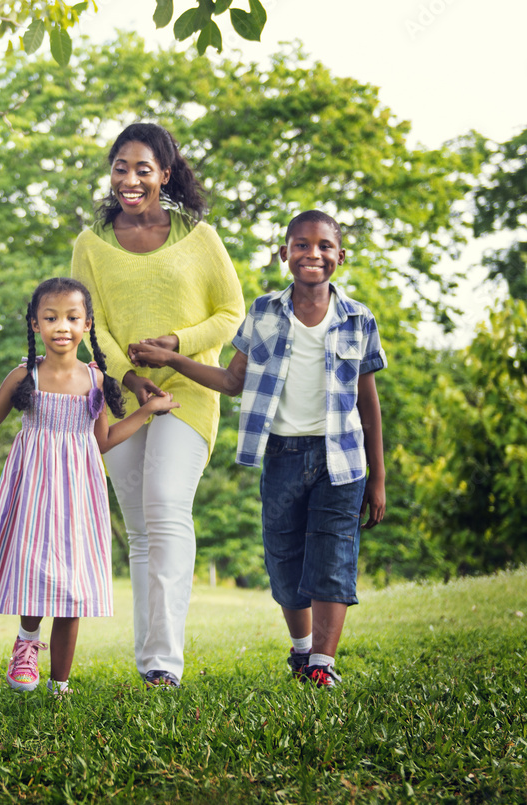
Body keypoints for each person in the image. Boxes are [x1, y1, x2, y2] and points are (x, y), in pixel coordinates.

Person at [130, 210, 387, 687]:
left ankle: (323, 667)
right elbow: (231, 381)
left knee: (333, 558)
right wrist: (171, 358)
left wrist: (378, 478)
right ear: (284, 253)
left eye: (325, 246)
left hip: (342, 459)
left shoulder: (358, 319)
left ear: (340, 256)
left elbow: (368, 405)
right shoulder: (265, 312)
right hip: (283, 456)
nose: (314, 254)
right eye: (302, 245)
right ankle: (303, 649)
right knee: (285, 562)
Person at [0, 278, 179, 694]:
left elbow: (102, 440)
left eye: (72, 318)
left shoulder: (95, 379)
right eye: (51, 318)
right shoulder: (24, 376)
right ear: (35, 324)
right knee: (36, 572)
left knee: (75, 585)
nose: (62, 326)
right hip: (33, 490)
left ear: (87, 324)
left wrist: (149, 410)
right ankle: (27, 642)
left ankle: (61, 685)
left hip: (80, 493)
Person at [71, 123, 245, 688]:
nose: (129, 179)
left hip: (189, 393)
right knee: (142, 529)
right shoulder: (90, 245)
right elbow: (85, 325)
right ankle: (150, 663)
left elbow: (230, 313)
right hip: (121, 398)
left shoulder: (200, 237)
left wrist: (175, 344)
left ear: (165, 174)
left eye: (143, 169)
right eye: (121, 167)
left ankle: (166, 662)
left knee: (167, 506)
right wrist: (127, 376)